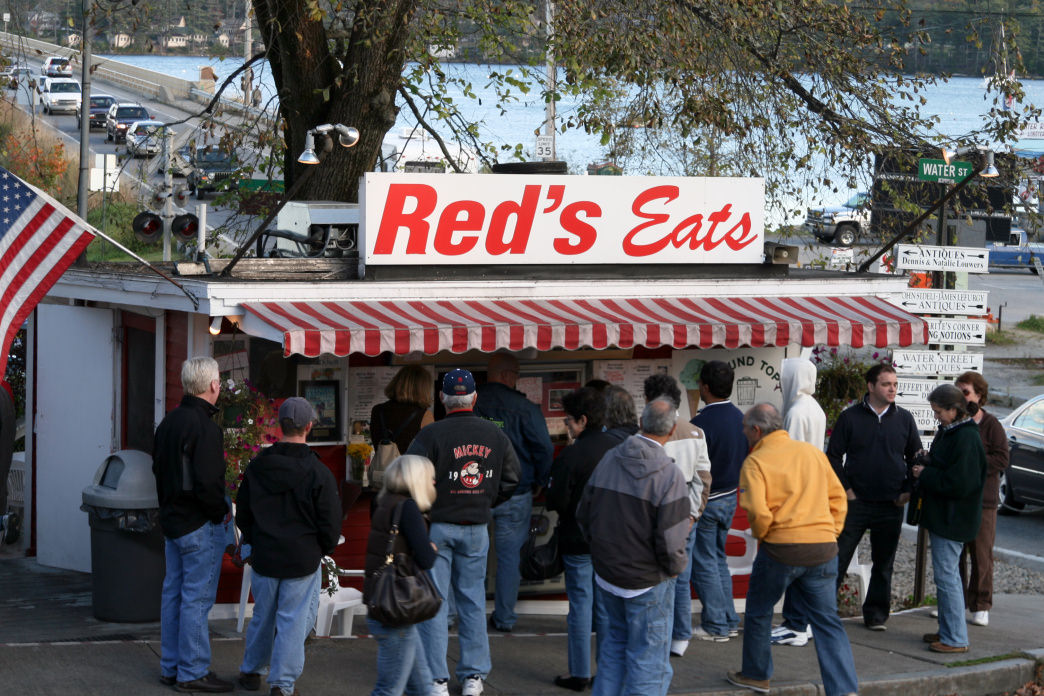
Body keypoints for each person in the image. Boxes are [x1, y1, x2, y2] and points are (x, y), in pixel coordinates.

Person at [727, 403, 859, 696]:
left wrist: (766, 536)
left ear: (757, 430)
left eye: (745, 428)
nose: (744, 433)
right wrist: (831, 532)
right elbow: (838, 498)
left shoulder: (756, 461)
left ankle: (757, 675)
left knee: (760, 611)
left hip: (781, 548)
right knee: (827, 622)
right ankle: (844, 689)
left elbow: (758, 513)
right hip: (823, 547)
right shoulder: (811, 452)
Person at [407, 368, 521, 696]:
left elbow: (408, 478)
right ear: (474, 397)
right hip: (477, 527)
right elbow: (513, 478)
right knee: (472, 602)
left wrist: (425, 510)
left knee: (436, 603)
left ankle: (436, 679)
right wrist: (486, 500)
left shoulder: (430, 435)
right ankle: (473, 677)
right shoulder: (495, 435)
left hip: (438, 527)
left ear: (442, 398)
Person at [576, 397, 690, 696]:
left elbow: (584, 515)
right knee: (648, 661)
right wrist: (675, 569)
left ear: (641, 423)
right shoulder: (669, 474)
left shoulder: (610, 459)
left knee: (612, 650)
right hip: (648, 581)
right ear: (673, 430)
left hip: (608, 575)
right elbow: (672, 542)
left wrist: (602, 555)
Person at [236, 397, 342, 696]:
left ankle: (250, 670)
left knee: (263, 615)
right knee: (293, 622)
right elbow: (330, 522)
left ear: (279, 425)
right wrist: (322, 547)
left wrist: (254, 540)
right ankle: (282, 684)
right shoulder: (318, 472)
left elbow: (243, 513)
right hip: (301, 557)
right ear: (309, 426)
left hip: (266, 555)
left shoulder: (257, 467)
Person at [152, 356, 233, 693]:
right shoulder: (206, 428)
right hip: (198, 524)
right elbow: (209, 484)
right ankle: (192, 671)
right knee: (196, 600)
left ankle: (171, 667)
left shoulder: (168, 423)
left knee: (174, 595)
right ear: (213, 385)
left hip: (172, 522)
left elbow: (159, 471)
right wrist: (219, 513)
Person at [827, 363, 921, 631]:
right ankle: (824, 612)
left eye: (895, 384)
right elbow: (832, 457)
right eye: (886, 384)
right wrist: (846, 490)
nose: (892, 389)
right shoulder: (850, 418)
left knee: (884, 564)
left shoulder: (904, 419)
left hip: (890, 504)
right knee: (838, 558)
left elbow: (916, 456)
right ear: (871, 386)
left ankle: (876, 616)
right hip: (856, 503)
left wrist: (907, 490)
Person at [473, 352, 554, 633]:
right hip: (516, 493)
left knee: (473, 554)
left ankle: (463, 617)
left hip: (474, 492)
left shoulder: (471, 402)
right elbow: (544, 448)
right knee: (509, 559)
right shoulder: (525, 408)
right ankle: (505, 618)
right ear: (508, 375)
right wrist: (542, 479)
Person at [545, 387, 619, 691]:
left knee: (580, 607)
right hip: (612, 541)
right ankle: (607, 672)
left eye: (569, 421)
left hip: (577, 539)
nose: (567, 426)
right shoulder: (620, 447)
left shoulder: (572, 455)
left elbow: (556, 499)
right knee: (606, 609)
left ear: (583, 420)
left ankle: (578, 673)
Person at [913, 384, 987, 654]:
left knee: (947, 578)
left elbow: (960, 483)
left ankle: (955, 638)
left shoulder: (965, 438)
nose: (936, 417)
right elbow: (952, 470)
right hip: (947, 517)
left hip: (952, 519)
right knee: (946, 577)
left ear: (954, 411)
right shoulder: (955, 432)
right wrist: (930, 461)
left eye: (939, 411)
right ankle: (948, 630)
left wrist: (925, 473)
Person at [643, 373, 711, 658]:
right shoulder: (695, 432)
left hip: (652, 515)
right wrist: (693, 515)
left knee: (652, 576)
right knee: (681, 575)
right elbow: (703, 479)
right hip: (685, 515)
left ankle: (656, 632)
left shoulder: (646, 430)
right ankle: (680, 635)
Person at [364, 455, 440, 696]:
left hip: (384, 601)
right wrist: (432, 548)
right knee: (390, 689)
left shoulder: (382, 501)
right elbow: (426, 559)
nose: (434, 482)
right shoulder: (407, 508)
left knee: (422, 687)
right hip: (397, 607)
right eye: (430, 477)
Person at [772, 357, 829, 648]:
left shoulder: (795, 411)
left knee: (792, 561)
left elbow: (788, 459)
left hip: (797, 496)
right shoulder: (815, 408)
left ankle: (795, 624)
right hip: (814, 492)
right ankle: (800, 621)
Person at [689, 360, 746, 641]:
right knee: (719, 559)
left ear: (705, 387)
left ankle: (716, 625)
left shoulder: (699, 424)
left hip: (707, 501)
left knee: (705, 562)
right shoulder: (741, 418)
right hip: (731, 497)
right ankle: (729, 619)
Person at [954, 371, 1008, 628]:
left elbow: (1002, 458)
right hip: (957, 499)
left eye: (966, 392)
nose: (962, 398)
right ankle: (956, 601)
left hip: (983, 501)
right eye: (959, 392)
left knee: (981, 554)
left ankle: (981, 604)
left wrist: (974, 463)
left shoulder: (991, 425)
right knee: (954, 553)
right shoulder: (956, 423)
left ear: (979, 395)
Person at [370, 364, 436, 456]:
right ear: (423, 388)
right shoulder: (424, 415)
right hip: (411, 469)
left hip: (383, 469)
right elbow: (430, 450)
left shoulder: (377, 410)